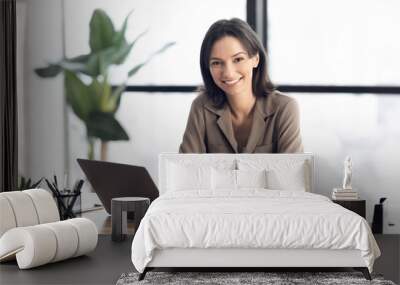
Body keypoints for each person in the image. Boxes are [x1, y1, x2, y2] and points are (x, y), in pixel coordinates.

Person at [179, 18, 303, 153]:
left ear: (255, 59)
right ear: (207, 67)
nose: (229, 73)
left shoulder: (284, 108)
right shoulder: (201, 107)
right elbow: (185, 169)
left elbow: (292, 171)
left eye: (238, 59)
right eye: (216, 63)